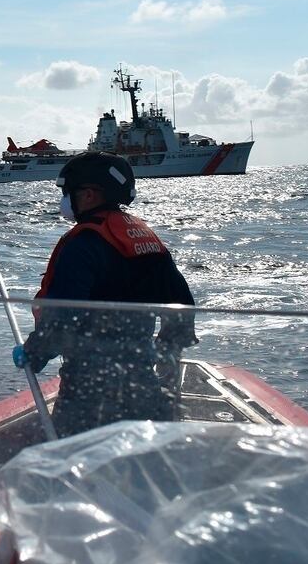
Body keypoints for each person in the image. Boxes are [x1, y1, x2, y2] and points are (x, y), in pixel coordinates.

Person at [12, 151, 197, 437]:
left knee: (73, 458)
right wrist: (166, 356)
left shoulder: (83, 245)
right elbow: (182, 305)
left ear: (88, 195)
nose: (64, 200)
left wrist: (34, 354)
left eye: (67, 192)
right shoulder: (144, 237)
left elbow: (64, 316)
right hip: (142, 382)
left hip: (89, 391)